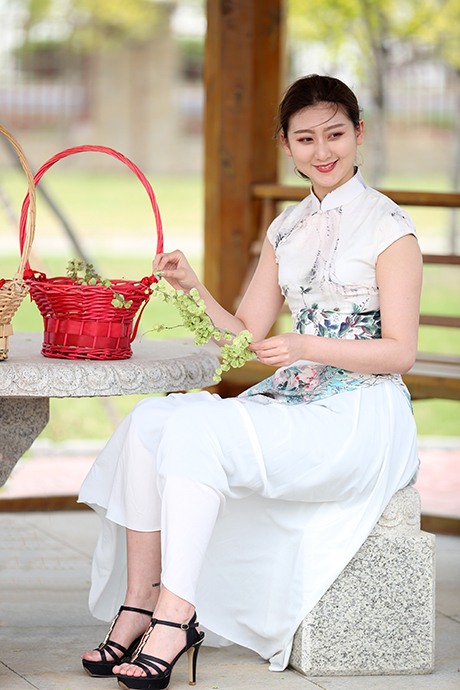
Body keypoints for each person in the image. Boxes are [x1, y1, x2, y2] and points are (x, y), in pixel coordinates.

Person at [80, 74, 422, 689]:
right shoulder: (286, 228)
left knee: (196, 433)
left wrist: (304, 346)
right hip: (298, 401)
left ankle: (176, 616)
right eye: (306, 138)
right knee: (151, 419)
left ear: (359, 133)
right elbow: (242, 335)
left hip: (360, 415)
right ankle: (140, 600)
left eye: (336, 134)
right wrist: (194, 287)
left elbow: (401, 353)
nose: (323, 151)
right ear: (286, 145)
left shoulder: (389, 228)